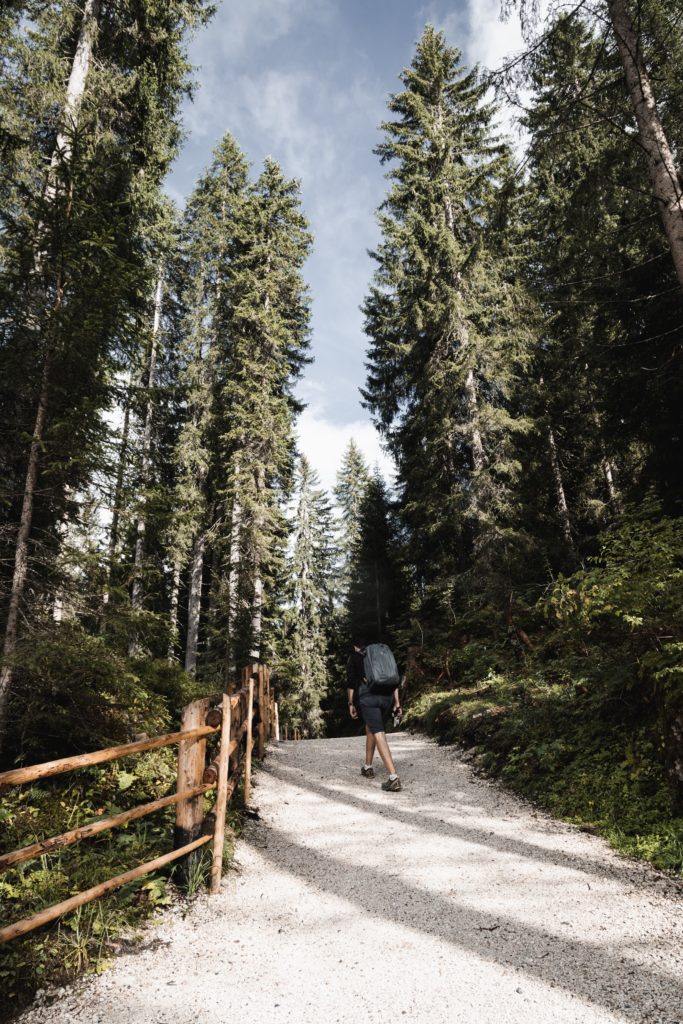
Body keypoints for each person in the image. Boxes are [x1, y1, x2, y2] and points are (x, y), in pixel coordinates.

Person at [346, 639, 402, 792]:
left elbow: (351, 683)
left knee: (378, 731)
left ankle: (393, 777)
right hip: (387, 697)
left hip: (369, 698)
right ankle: (368, 767)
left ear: (354, 645)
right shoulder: (382, 653)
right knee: (371, 726)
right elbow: (394, 678)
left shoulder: (356, 657)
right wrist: (397, 703)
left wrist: (351, 704)